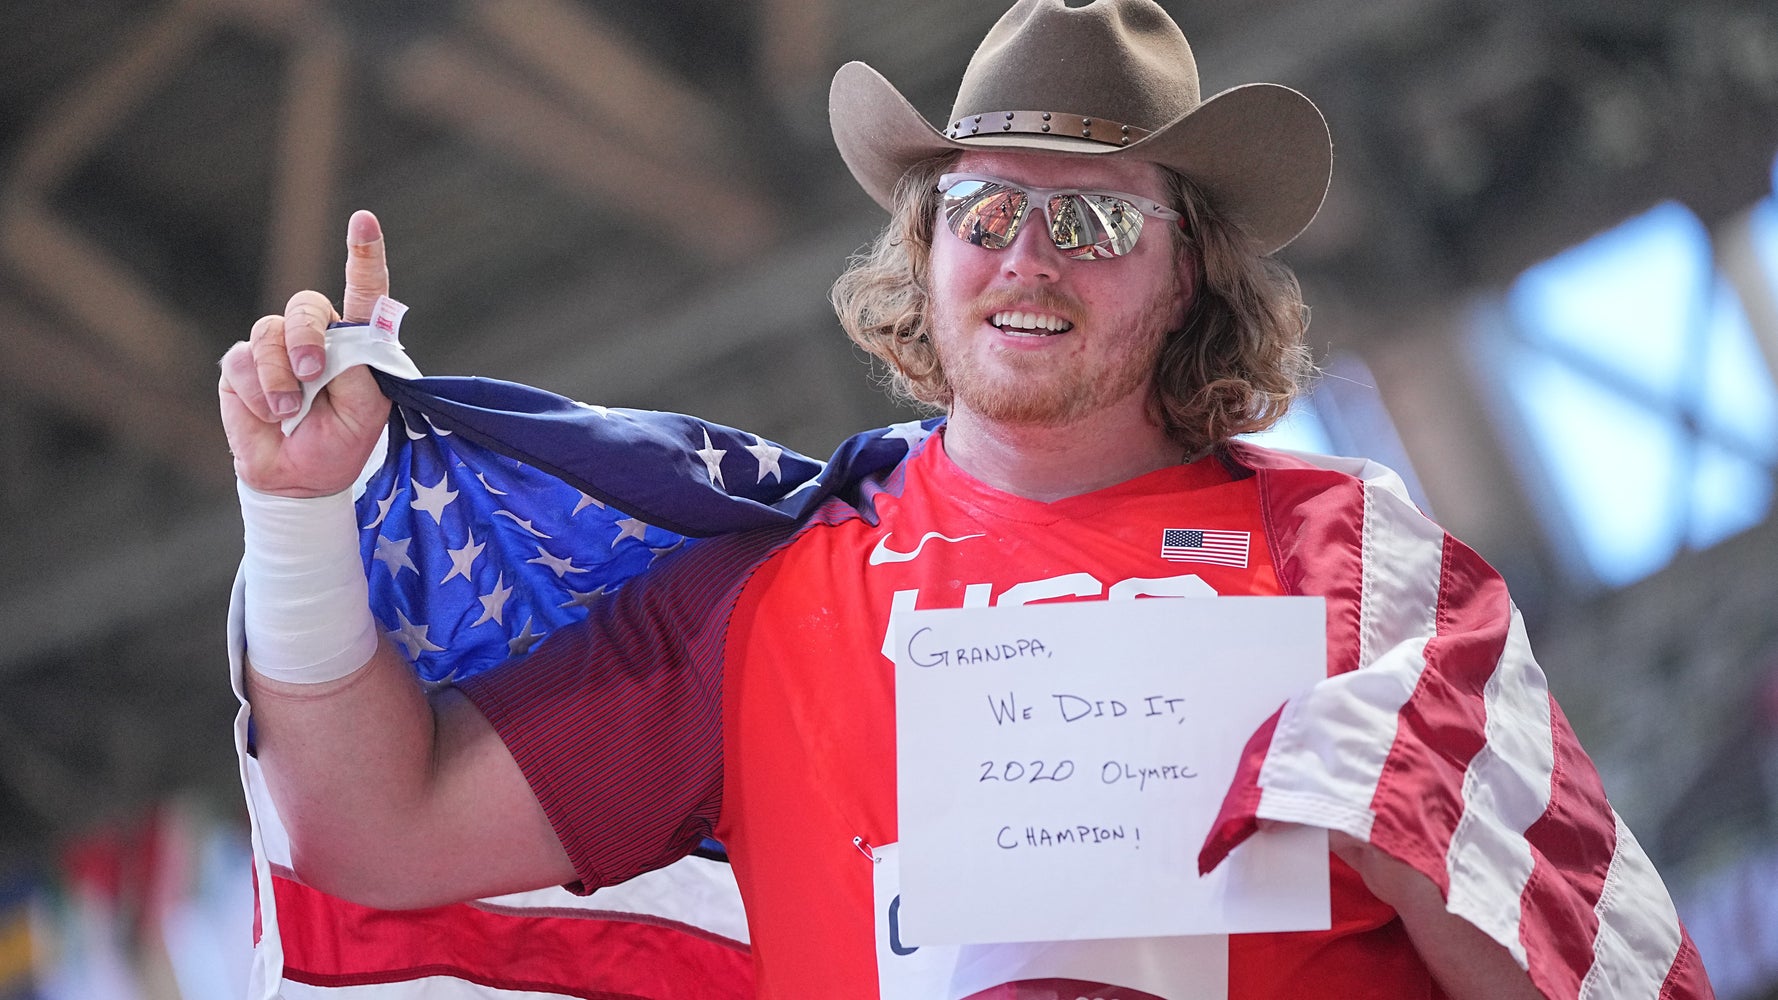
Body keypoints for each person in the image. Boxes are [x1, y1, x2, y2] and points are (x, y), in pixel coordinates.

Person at [217, 1, 1711, 997]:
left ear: (1187, 267)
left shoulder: (1359, 571)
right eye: (983, 213)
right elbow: (376, 836)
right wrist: (296, 519)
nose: (1027, 257)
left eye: (1090, 218)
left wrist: (1420, 826)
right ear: (923, 262)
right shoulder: (759, 608)